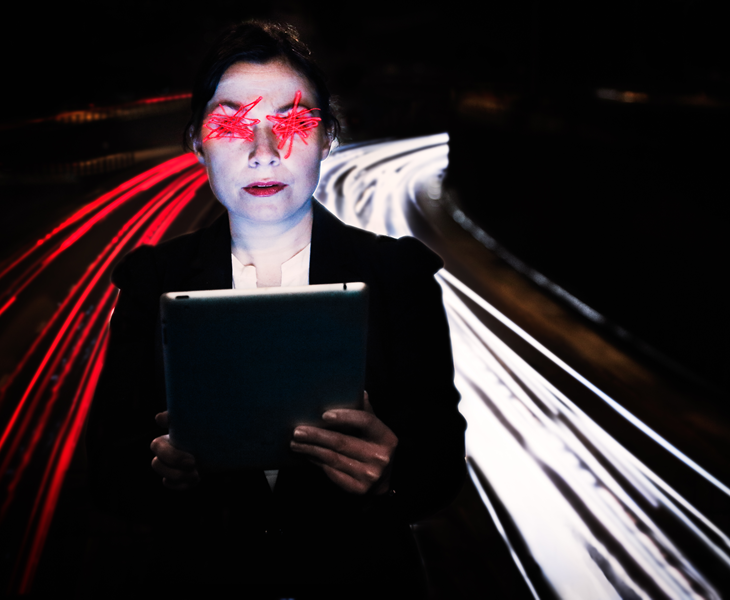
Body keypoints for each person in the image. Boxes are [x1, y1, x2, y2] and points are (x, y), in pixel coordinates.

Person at [86, 20, 466, 599]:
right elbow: (108, 472)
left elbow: (442, 469)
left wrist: (392, 475)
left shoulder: (399, 276)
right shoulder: (151, 281)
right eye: (231, 125)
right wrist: (161, 473)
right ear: (196, 141)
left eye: (292, 123)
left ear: (329, 137)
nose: (263, 154)